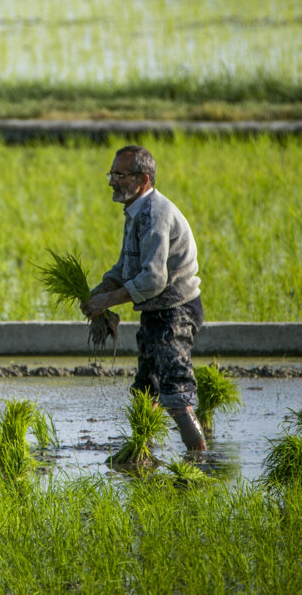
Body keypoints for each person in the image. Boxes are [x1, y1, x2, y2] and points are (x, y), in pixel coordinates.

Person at [80, 145, 207, 452]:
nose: (111, 182)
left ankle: (200, 462)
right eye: (111, 174)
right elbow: (127, 267)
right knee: (145, 391)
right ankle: (140, 454)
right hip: (156, 311)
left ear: (143, 179)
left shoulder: (155, 215)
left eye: (119, 175)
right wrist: (100, 291)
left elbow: (153, 278)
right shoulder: (136, 213)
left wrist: (107, 301)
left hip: (174, 312)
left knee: (176, 396)